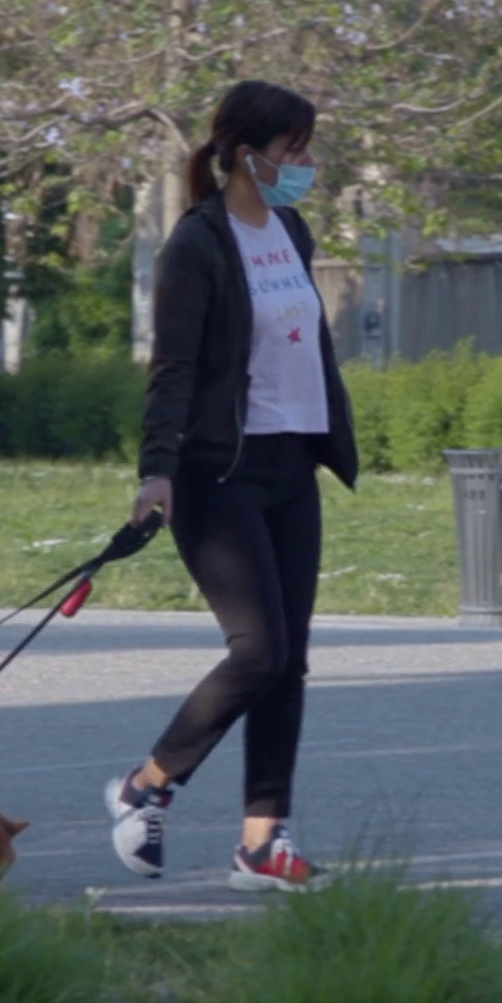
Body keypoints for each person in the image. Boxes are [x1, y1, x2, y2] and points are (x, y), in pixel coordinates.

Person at [107, 80, 358, 893]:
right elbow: (173, 370)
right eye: (296, 151)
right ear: (249, 153)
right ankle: (146, 785)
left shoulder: (290, 228)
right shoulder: (198, 245)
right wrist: (157, 471)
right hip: (219, 474)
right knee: (258, 653)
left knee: (290, 664)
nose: (307, 165)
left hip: (291, 467)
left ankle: (262, 843)